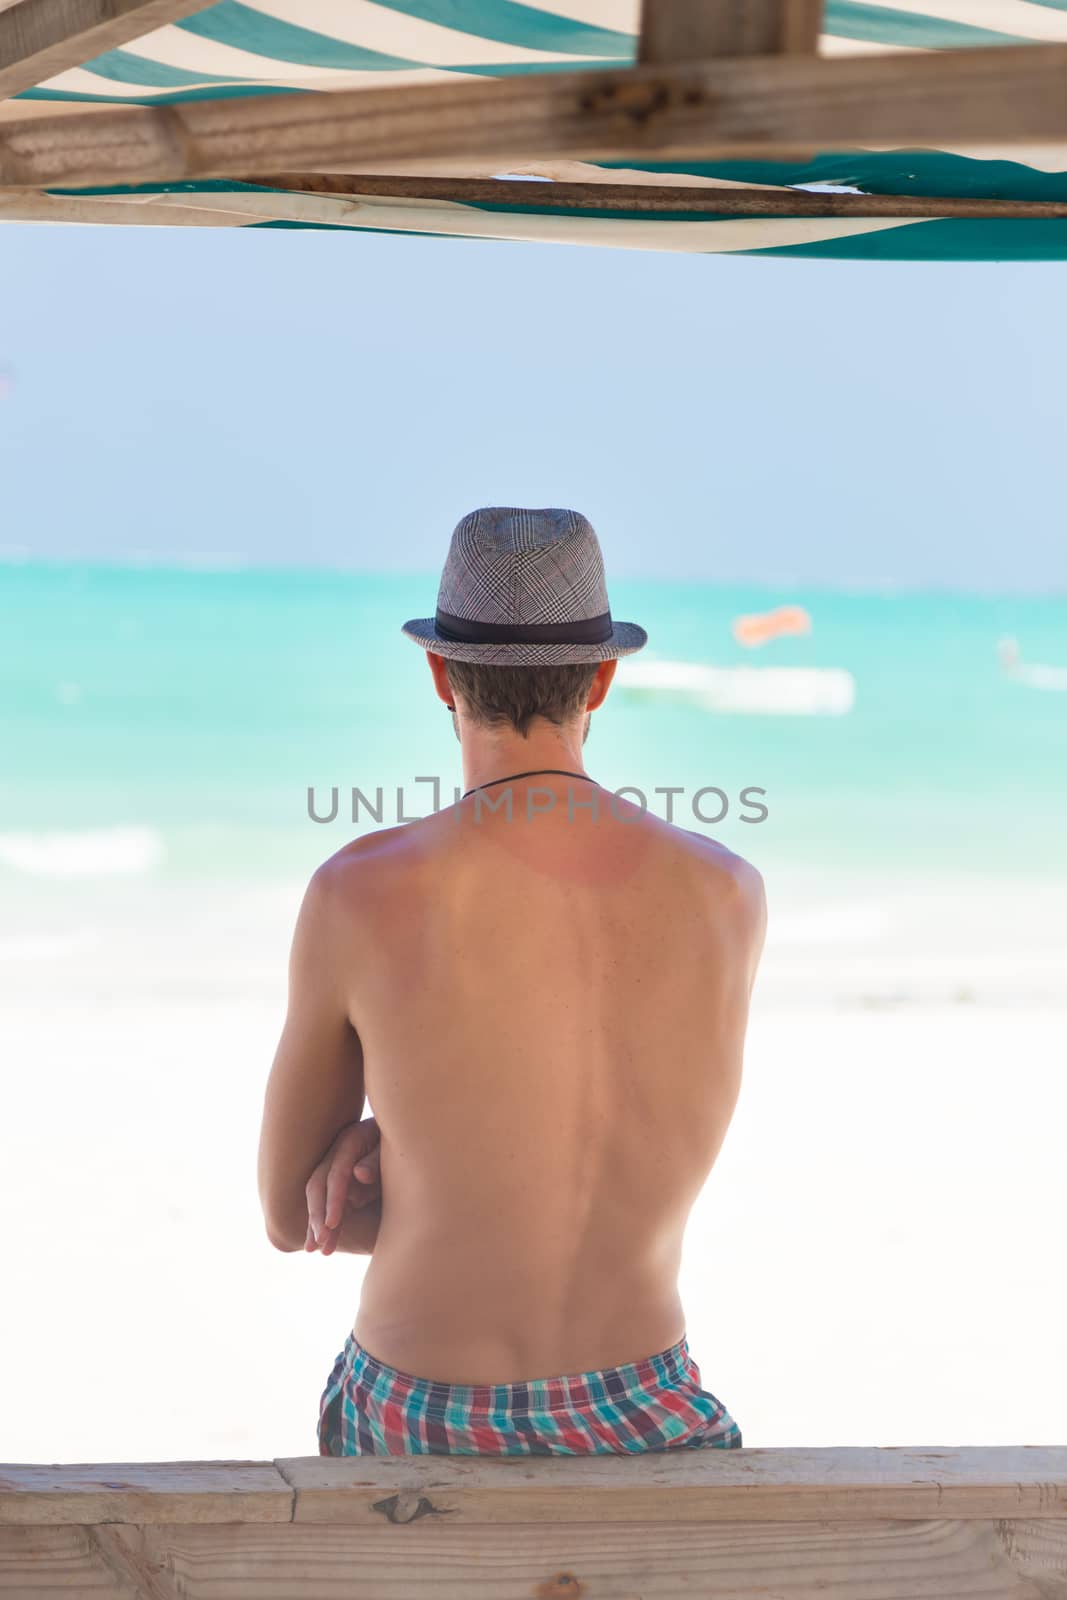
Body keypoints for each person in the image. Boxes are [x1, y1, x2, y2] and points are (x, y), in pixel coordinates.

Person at [257, 506, 766, 1456]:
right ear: (603, 679)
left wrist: (403, 1150)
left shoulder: (357, 893)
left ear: (439, 674)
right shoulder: (728, 892)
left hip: (423, 1413)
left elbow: (294, 1216)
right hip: (650, 1407)